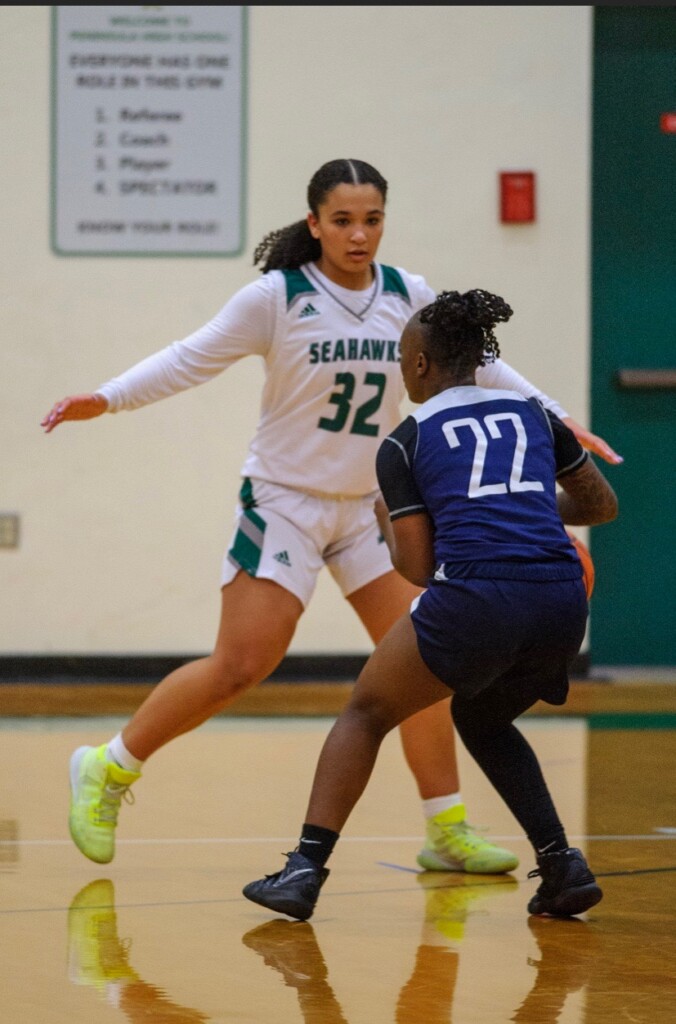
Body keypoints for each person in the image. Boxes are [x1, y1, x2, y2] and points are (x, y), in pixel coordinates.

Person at [41, 158, 620, 876]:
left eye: (372, 219)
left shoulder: (408, 295)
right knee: (243, 663)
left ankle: (447, 827)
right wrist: (108, 397)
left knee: (432, 661)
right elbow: (190, 358)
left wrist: (561, 416)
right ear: (313, 223)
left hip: (377, 512)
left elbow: (485, 365)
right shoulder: (277, 297)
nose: (359, 234)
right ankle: (109, 765)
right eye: (342, 220)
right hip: (284, 501)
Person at [242, 287, 619, 922]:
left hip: (479, 598)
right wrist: (524, 508)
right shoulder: (535, 416)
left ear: (418, 364)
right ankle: (561, 866)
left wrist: (388, 518)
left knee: (363, 713)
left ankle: (303, 871)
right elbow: (599, 506)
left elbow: (416, 569)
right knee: (484, 719)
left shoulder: (405, 441)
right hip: (561, 602)